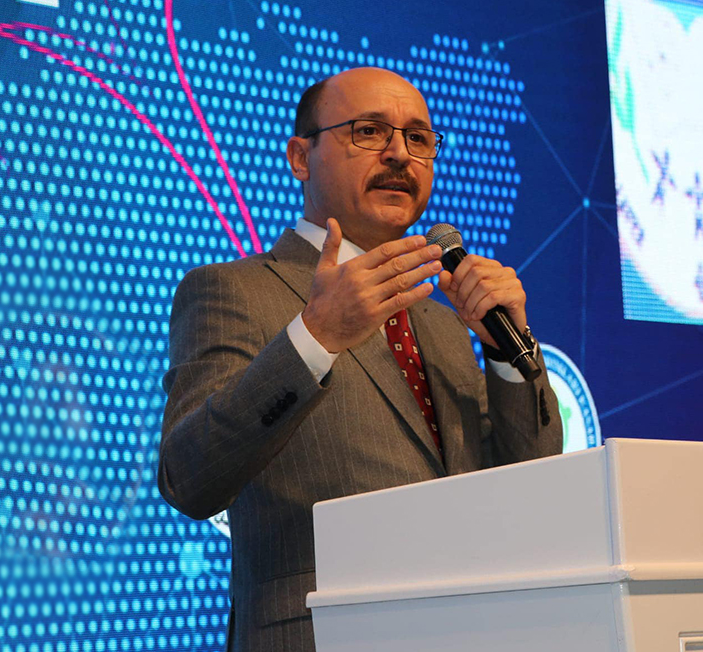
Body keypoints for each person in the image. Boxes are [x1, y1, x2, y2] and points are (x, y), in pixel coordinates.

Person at [158, 67, 563, 651]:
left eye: (418, 138)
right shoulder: (233, 291)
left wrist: (504, 352)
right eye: (369, 131)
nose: (399, 154)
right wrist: (315, 336)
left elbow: (530, 493)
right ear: (301, 157)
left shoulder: (444, 324)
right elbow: (189, 478)